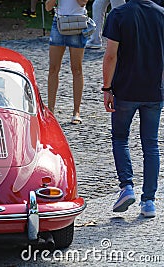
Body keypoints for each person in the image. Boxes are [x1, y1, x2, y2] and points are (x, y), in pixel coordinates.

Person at [102, 0, 164, 218]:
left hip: (125, 90)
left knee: (120, 138)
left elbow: (111, 55)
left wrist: (106, 87)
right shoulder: (161, 14)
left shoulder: (119, 15)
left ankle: (127, 186)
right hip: (154, 91)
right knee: (151, 145)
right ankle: (149, 201)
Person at [45, 0, 88, 124]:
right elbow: (48, 7)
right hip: (59, 22)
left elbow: (82, 2)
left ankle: (76, 111)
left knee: (77, 69)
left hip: (78, 22)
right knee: (53, 68)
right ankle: (50, 110)